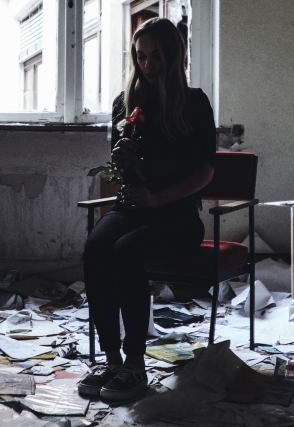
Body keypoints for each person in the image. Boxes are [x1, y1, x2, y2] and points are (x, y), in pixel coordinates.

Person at [77, 17, 215, 402]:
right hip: (134, 207)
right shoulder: (125, 104)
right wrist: (120, 158)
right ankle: (111, 359)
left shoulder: (194, 103)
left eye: (156, 56)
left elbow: (205, 171)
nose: (148, 65)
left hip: (177, 216)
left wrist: (158, 198)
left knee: (128, 250)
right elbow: (120, 172)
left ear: (173, 57)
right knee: (95, 248)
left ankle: (136, 365)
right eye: (140, 57)